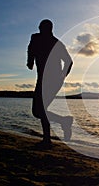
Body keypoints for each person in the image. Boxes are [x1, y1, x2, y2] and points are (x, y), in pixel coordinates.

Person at [27, 19, 73, 148]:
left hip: (53, 80)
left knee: (40, 109)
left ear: (50, 29)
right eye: (40, 27)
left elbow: (69, 61)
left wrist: (62, 77)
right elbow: (30, 49)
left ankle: (47, 139)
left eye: (44, 28)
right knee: (38, 111)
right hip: (42, 79)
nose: (41, 30)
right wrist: (29, 61)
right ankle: (63, 122)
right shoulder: (35, 38)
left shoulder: (56, 43)